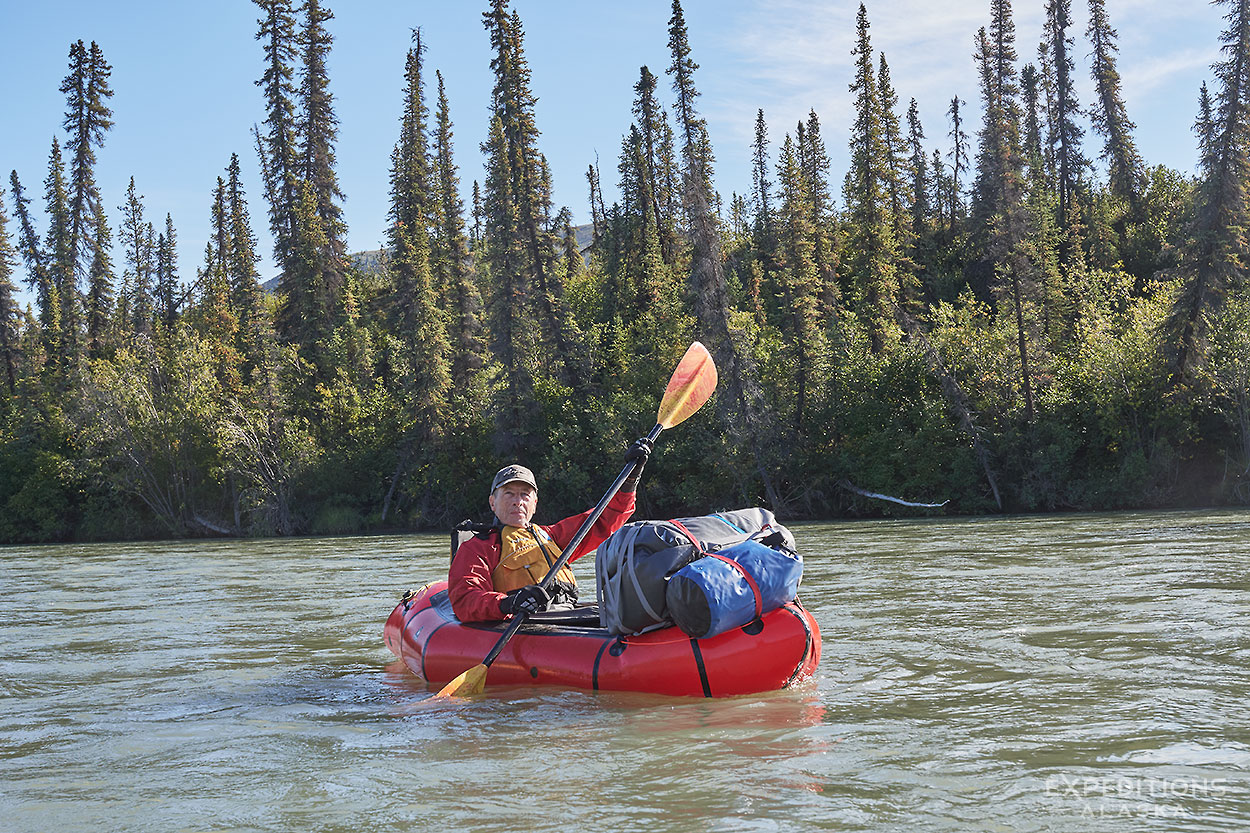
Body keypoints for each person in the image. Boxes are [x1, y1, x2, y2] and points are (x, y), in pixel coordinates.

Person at [447, 438, 652, 622]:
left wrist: (630, 479)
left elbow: (604, 519)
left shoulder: (551, 536)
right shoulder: (478, 548)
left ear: (534, 504)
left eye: (525, 495)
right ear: (493, 502)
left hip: (567, 615)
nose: (517, 502)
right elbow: (466, 600)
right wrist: (508, 603)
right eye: (509, 494)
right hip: (524, 622)